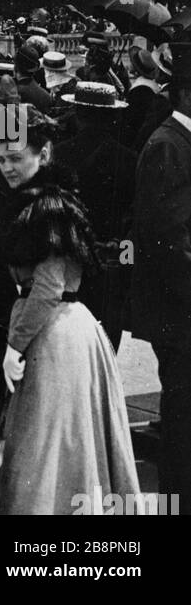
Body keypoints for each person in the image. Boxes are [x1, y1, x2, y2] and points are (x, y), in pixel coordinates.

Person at [0, 129, 139, 515]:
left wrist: (15, 345)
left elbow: (47, 288)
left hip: (54, 332)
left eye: (15, 157)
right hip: (61, 329)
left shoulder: (48, 208)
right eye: (1, 159)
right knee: (67, 440)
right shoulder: (42, 202)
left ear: (43, 155)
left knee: (47, 443)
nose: (7, 166)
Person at [132, 42, 191, 512]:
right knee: (183, 418)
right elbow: (169, 241)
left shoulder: (176, 142)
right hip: (179, 310)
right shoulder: (168, 145)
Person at [54, 82, 136, 351]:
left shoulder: (59, 155)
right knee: (107, 347)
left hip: (68, 261)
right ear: (113, 117)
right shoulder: (129, 159)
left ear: (77, 114)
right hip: (110, 262)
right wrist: (125, 258)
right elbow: (134, 221)